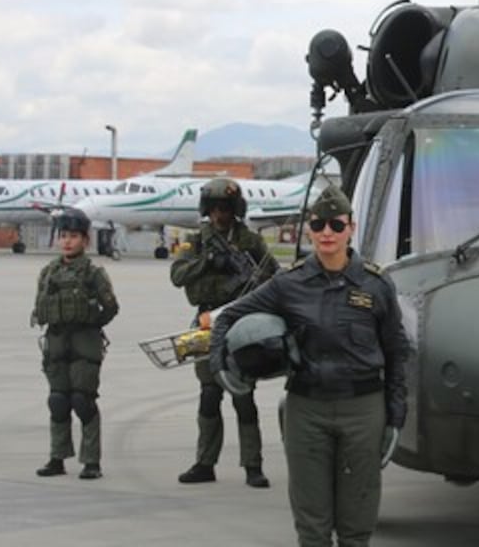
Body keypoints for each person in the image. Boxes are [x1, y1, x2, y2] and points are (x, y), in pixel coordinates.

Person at [210, 185, 410, 547]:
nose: (327, 233)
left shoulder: (376, 285)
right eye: (319, 225)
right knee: (311, 526)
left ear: (351, 227)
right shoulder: (289, 284)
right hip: (307, 410)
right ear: (310, 230)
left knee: (356, 524)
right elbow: (226, 318)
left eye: (336, 225)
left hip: (362, 410)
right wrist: (220, 365)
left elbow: (397, 353)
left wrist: (396, 416)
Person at [170, 177, 277, 487]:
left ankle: (253, 465)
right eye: (215, 208)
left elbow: (274, 276)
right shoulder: (197, 240)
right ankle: (205, 462)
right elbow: (178, 275)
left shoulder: (250, 241)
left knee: (243, 394)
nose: (220, 215)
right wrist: (207, 262)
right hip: (207, 320)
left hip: (242, 322)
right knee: (209, 394)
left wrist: (254, 283)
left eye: (226, 208)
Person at [32, 208, 119, 480]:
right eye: (64, 236)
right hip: (56, 340)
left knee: (83, 401)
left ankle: (91, 461)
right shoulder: (48, 272)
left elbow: (111, 307)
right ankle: (57, 457)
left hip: (85, 340)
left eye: (74, 236)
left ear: (85, 241)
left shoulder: (93, 273)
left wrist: (91, 323)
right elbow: (40, 305)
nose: (67, 241)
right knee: (58, 401)